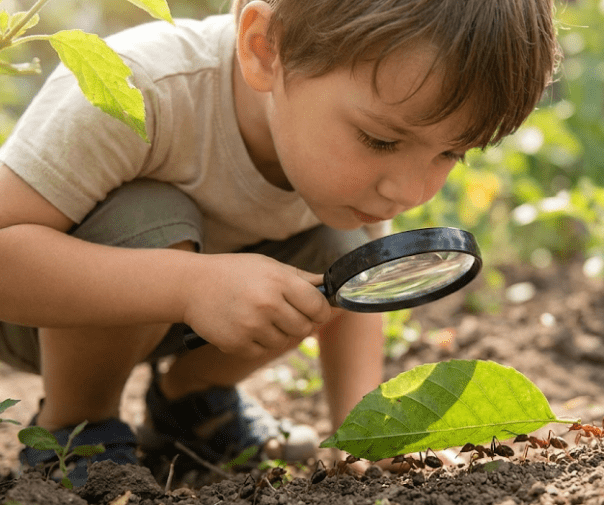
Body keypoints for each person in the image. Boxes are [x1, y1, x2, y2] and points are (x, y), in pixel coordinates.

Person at [0, 0, 559, 486]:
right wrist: (190, 285)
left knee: (342, 247)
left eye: (451, 153)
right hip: (46, 308)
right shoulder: (139, 88)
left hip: (196, 311)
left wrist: (360, 431)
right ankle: (76, 428)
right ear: (265, 49)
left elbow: (362, 285)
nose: (410, 190)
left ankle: (193, 404)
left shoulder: (343, 168)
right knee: (150, 211)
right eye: (380, 139)